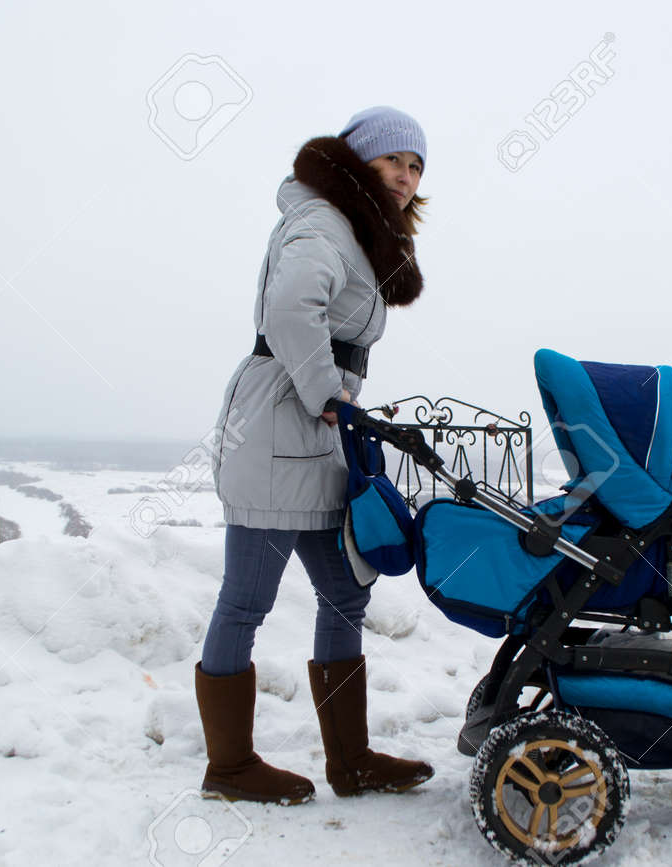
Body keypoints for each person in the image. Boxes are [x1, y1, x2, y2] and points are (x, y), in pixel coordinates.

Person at [199, 106, 433, 805]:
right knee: (245, 600)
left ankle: (351, 758)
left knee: (345, 590)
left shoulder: (352, 233)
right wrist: (327, 389)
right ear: (357, 161)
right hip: (279, 428)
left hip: (315, 434)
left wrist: (337, 399)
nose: (405, 174)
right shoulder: (322, 222)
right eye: (393, 159)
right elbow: (290, 307)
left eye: (416, 165)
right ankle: (230, 767)